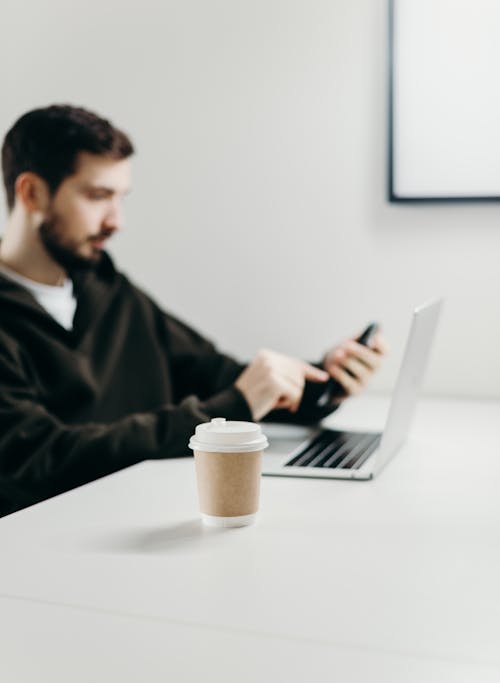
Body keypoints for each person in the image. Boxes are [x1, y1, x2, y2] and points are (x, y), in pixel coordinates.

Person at [0, 105, 387, 517]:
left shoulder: (110, 291)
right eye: (98, 196)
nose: (117, 221)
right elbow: (39, 460)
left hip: (140, 518)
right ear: (32, 194)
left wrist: (321, 381)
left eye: (121, 198)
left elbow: (217, 376)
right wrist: (231, 410)